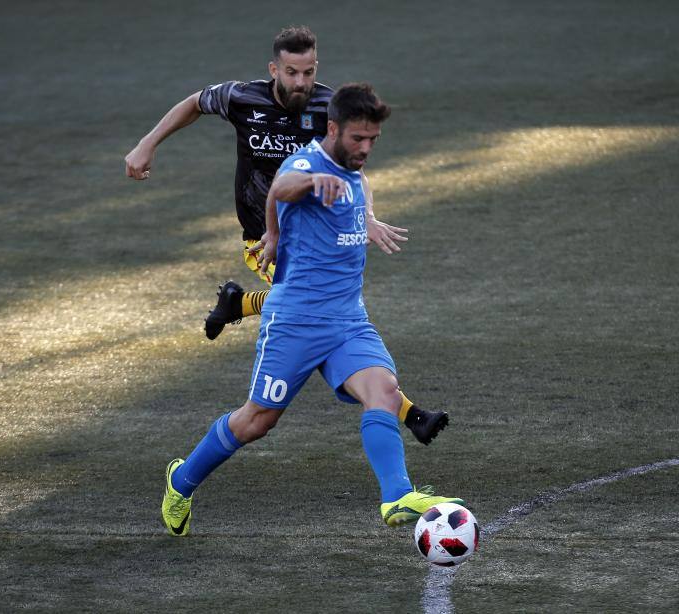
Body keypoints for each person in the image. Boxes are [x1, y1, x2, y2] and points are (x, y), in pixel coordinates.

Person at [161, 84, 463, 537]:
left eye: (372, 140)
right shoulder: (308, 164)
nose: (365, 149)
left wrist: (295, 229)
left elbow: (336, 193)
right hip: (295, 323)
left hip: (347, 321)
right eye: (357, 139)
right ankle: (181, 481)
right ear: (334, 128)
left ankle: (397, 495)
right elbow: (282, 185)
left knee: (383, 390)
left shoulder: (355, 172)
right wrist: (302, 195)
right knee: (257, 421)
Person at [125, 26, 448, 446]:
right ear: (274, 68)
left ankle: (238, 304)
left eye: (309, 72)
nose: (301, 82)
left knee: (320, 314)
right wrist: (146, 144)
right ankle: (408, 412)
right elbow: (194, 103)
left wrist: (366, 215)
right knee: (316, 316)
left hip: (318, 232)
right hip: (264, 237)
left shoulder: (329, 107)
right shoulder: (242, 97)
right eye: (292, 72)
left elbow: (356, 171)